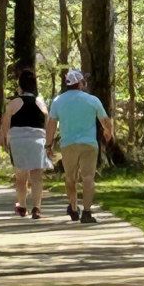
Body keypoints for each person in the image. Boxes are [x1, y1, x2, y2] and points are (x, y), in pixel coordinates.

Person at [45, 69, 113, 224]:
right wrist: (108, 132)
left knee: (70, 178)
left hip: (68, 145)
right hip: (89, 144)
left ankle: (74, 207)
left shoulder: (58, 101)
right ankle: (87, 212)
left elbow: (51, 125)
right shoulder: (92, 100)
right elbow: (105, 120)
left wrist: (48, 144)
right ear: (81, 83)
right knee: (88, 177)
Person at [0, 69, 52, 219]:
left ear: (20, 86)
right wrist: (49, 145)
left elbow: (4, 127)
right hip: (37, 142)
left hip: (18, 142)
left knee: (21, 177)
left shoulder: (13, 104)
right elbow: (48, 126)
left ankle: (23, 206)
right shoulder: (42, 105)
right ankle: (37, 208)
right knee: (37, 175)